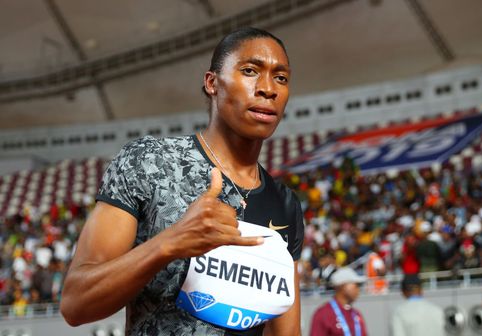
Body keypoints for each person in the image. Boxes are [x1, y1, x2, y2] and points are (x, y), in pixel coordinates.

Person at [60, 27, 304, 336]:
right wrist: (170, 243)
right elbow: (75, 303)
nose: (268, 88)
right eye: (250, 71)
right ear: (212, 83)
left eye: (281, 78)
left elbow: (287, 332)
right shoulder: (148, 162)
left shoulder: (285, 205)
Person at [310, 267, 368, 336]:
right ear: (343, 286)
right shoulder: (323, 314)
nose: (358, 289)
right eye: (356, 285)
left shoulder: (356, 315)